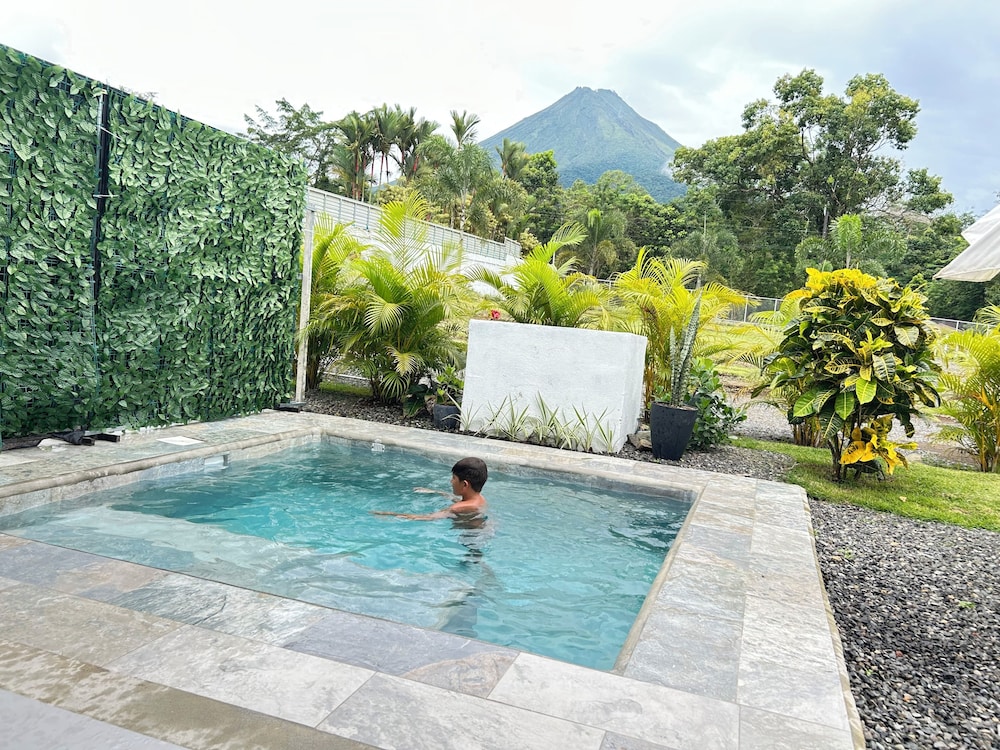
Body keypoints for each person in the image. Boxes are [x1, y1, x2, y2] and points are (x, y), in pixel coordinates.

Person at [373, 457, 488, 524]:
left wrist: (390, 514)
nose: (451, 481)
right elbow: (460, 501)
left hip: (470, 540)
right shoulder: (480, 499)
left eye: (453, 478)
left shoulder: (456, 508)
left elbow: (428, 517)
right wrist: (436, 492)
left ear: (464, 484)